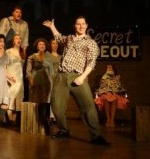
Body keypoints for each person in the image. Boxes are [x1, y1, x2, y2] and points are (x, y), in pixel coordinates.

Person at [42, 16, 111, 146]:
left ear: (86, 25)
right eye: (78, 24)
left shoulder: (91, 43)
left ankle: (96, 136)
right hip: (62, 75)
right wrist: (52, 27)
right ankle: (64, 130)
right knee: (56, 105)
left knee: (88, 107)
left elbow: (91, 62)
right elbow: (59, 37)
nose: (80, 26)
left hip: (78, 76)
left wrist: (82, 77)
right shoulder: (69, 38)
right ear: (75, 26)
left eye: (83, 24)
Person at [26, 38, 54, 134]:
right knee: (39, 104)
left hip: (46, 82)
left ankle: (46, 124)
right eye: (40, 44)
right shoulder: (32, 57)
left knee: (46, 103)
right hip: (36, 82)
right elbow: (28, 71)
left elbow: (52, 70)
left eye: (43, 44)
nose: (42, 46)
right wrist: (30, 79)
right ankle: (42, 125)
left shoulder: (49, 56)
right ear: (37, 46)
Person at [5, 34, 25, 126]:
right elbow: (4, 65)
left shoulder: (22, 53)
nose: (19, 39)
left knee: (18, 98)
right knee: (11, 97)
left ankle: (14, 120)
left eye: (20, 38)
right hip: (11, 77)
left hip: (19, 79)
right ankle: (10, 119)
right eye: (16, 38)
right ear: (13, 41)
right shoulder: (8, 51)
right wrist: (7, 76)